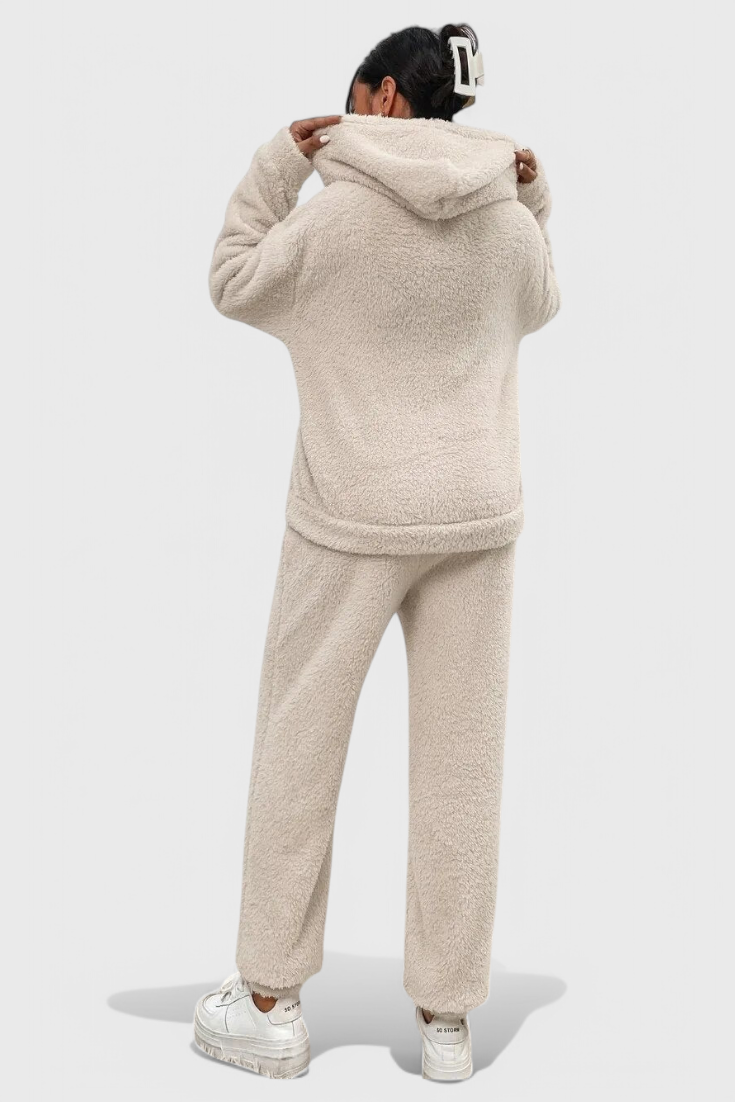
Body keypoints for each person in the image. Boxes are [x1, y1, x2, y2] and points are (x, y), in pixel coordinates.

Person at [193, 21, 560, 1082]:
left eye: (353, 96)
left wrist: (281, 160)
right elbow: (544, 299)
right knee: (461, 767)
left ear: (385, 98)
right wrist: (532, 195)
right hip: (475, 515)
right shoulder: (507, 229)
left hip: (351, 514)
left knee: (299, 744)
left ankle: (271, 1002)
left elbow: (230, 278)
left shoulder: (332, 223)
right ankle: (447, 1021)